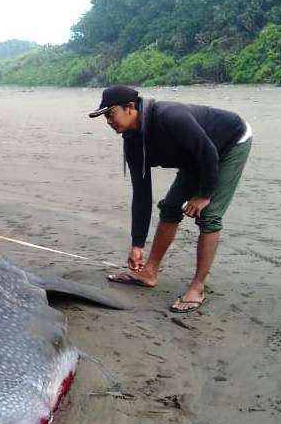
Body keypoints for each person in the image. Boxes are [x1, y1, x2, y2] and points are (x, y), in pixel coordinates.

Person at [89, 86, 252, 313]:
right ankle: (149, 272)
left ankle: (197, 287)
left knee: (209, 215)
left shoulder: (170, 117)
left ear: (130, 108)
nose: (108, 121)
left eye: (111, 113)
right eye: (105, 116)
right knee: (170, 208)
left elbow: (208, 152)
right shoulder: (133, 143)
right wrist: (137, 244)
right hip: (196, 156)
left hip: (229, 143)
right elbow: (142, 194)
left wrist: (205, 194)